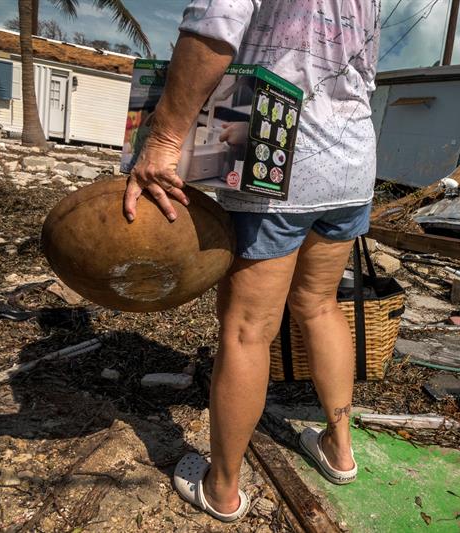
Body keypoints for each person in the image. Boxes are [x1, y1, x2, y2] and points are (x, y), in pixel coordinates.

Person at [122, 0, 380, 522]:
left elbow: (213, 30)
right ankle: (339, 450)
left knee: (246, 329)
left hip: (279, 158)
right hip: (351, 162)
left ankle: (221, 489)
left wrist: (166, 137)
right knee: (321, 305)